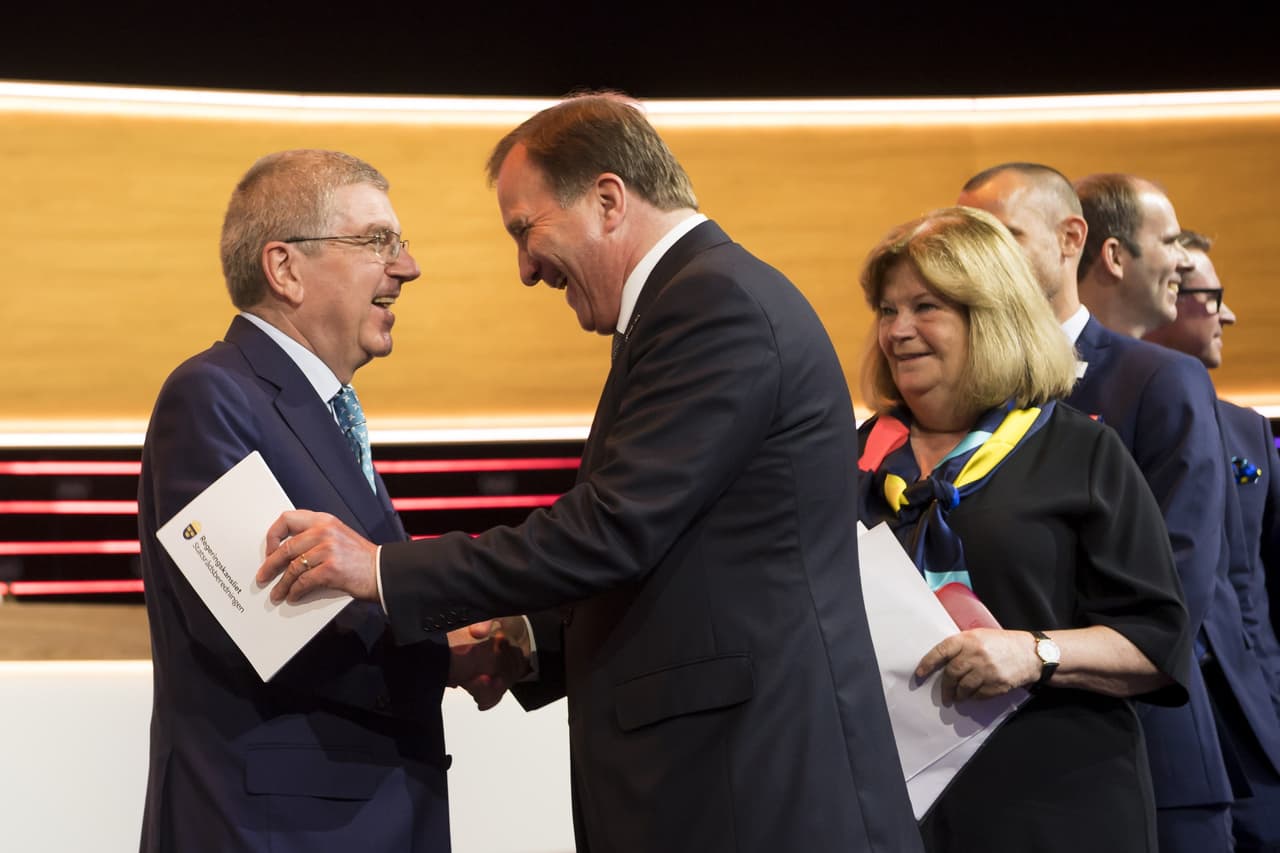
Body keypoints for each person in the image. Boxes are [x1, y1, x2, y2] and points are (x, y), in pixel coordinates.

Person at [257, 93, 923, 853]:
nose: (525, 269)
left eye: (525, 229)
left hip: (756, 791)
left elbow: (612, 529)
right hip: (726, 786)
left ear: (608, 200)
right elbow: (679, 557)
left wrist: (380, 569)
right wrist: (530, 639)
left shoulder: (714, 306)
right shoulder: (690, 304)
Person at [138, 149, 508, 851]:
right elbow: (266, 625)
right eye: (377, 241)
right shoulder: (211, 395)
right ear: (285, 268)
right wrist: (443, 652)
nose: (407, 266)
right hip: (272, 831)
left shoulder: (323, 413)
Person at [857, 205, 1191, 853]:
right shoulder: (851, 461)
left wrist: (1033, 653)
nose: (898, 330)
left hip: (1055, 804)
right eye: (887, 310)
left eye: (926, 307)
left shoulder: (1081, 452)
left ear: (991, 315)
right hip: (890, 814)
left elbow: (1156, 642)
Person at [958, 165, 1242, 851]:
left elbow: (1177, 582)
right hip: (1000, 764)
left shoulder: (1156, 378)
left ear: (1071, 239)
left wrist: (1038, 650)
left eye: (1000, 233)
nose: (978, 255)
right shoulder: (965, 395)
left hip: (1149, 750)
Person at [1145, 229, 1280, 851]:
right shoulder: (1098, 415)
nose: (1228, 315)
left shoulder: (1250, 433)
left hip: (1256, 719)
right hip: (1163, 721)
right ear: (1165, 293)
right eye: (1211, 297)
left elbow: (1261, 584)